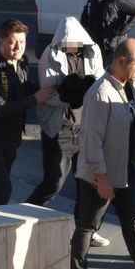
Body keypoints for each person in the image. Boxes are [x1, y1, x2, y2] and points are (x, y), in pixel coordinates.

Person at [69, 39, 135, 269]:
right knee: (88, 224)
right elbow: (91, 141)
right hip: (100, 175)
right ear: (121, 61)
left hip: (123, 169)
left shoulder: (130, 85)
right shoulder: (100, 94)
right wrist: (102, 178)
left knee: (131, 219)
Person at [0, 19, 55, 206]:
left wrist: (49, 91)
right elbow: (2, 107)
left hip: (11, 136)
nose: (18, 47)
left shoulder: (23, 61)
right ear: (1, 41)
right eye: (12, 42)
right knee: (3, 186)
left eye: (22, 42)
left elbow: (24, 87)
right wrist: (37, 98)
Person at [26, 16, 103, 207]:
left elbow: (99, 84)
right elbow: (48, 94)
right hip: (60, 127)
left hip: (86, 127)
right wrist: (71, 95)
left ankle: (84, 232)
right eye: (66, 43)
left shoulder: (92, 52)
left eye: (74, 43)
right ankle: (24, 214)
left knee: (86, 184)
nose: (70, 47)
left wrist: (87, 92)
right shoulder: (51, 55)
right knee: (54, 183)